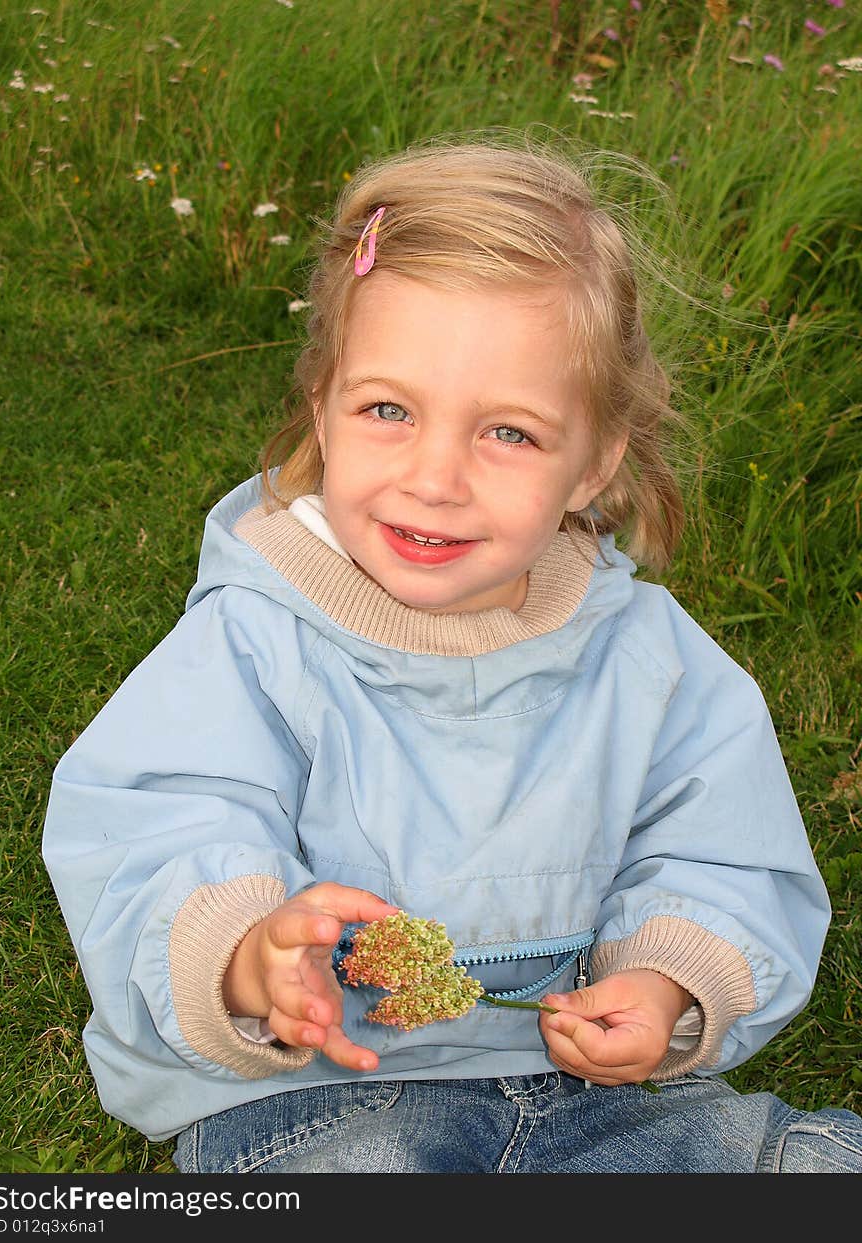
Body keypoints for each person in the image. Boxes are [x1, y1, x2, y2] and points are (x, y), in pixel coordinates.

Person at [42, 135, 862, 1174]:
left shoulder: (650, 659)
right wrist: (252, 957)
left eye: (507, 433)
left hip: (598, 1097)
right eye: (389, 410)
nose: (434, 476)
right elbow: (161, 823)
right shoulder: (255, 636)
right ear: (325, 413)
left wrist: (665, 982)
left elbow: (718, 855)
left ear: (592, 461)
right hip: (326, 1097)